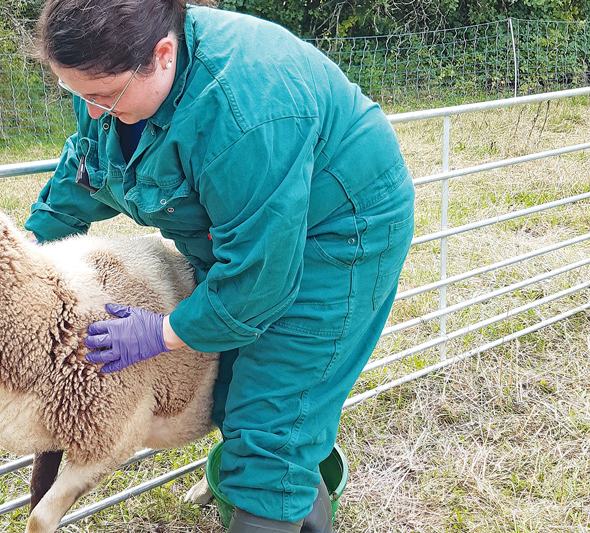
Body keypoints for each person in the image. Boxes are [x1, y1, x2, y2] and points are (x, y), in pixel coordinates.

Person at [25, 1, 415, 531]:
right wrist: (24, 252)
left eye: (101, 96)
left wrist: (165, 331)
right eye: (77, 94)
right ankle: (301, 506)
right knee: (235, 388)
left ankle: (268, 497)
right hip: (243, 230)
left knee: (272, 420)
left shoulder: (244, 107)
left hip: (339, 229)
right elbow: (88, 165)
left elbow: (258, 276)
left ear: (163, 54)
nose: (91, 111)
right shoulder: (109, 83)